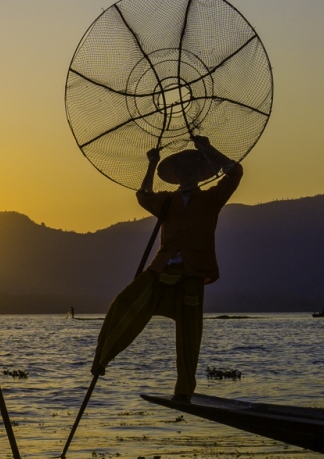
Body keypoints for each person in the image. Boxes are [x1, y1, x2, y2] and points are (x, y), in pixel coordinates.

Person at [89, 135, 241, 399]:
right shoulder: (167, 201)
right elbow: (144, 196)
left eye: (193, 168)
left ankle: (184, 392)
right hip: (162, 271)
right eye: (184, 170)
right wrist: (152, 163)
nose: (188, 173)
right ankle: (102, 358)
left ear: (200, 172)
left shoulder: (211, 199)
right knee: (126, 301)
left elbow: (235, 172)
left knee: (189, 336)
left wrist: (207, 148)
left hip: (192, 275)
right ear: (178, 175)